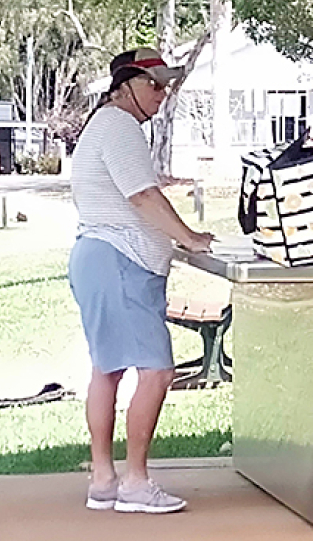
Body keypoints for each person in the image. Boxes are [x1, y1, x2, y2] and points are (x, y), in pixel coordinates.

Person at [69, 47, 214, 514]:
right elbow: (143, 196)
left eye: (166, 85)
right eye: (153, 83)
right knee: (157, 371)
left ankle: (104, 479)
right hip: (120, 261)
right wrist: (189, 237)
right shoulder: (119, 126)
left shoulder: (103, 125)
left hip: (100, 258)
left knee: (107, 368)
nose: (161, 92)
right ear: (124, 86)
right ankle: (135, 481)